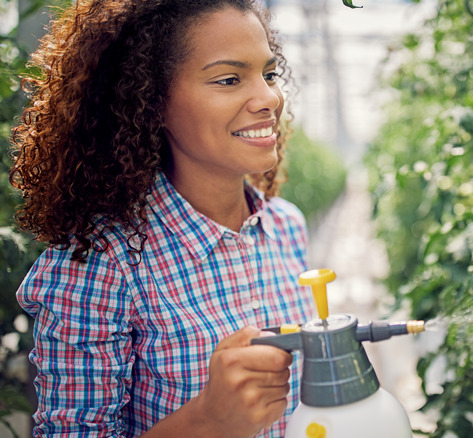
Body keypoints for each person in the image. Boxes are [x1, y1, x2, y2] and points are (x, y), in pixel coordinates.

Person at [9, 0, 316, 436]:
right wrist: (208, 419)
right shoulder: (98, 267)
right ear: (151, 101)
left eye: (268, 74)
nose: (269, 98)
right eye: (229, 79)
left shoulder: (286, 226)